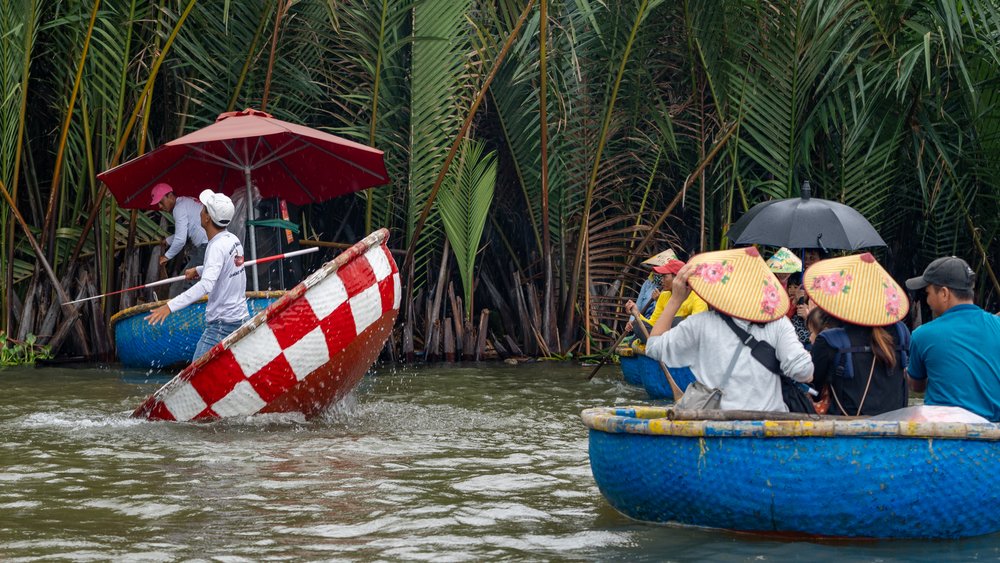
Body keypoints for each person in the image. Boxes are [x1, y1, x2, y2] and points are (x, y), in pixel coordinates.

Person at [644, 247, 813, 412]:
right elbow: (803, 371)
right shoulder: (779, 324)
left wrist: (675, 299)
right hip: (767, 426)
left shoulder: (701, 324)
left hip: (715, 425)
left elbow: (653, 348)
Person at [147, 189, 249, 361]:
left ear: (207, 218)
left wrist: (169, 306)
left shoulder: (215, 247)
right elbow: (225, 270)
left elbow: (205, 286)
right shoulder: (233, 240)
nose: (200, 210)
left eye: (203, 208)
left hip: (221, 325)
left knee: (194, 377)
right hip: (240, 318)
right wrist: (200, 270)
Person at [806, 253, 910, 416]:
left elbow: (814, 391)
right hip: (895, 428)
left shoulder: (829, 341)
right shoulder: (901, 331)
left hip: (847, 433)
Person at [904, 256, 1000, 421]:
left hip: (943, 435)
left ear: (944, 293)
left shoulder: (923, 334)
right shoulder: (997, 325)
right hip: (993, 435)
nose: (927, 301)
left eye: (928, 293)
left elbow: (916, 386)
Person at [624, 259, 708, 342]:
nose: (661, 280)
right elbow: (653, 323)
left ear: (677, 278)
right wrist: (636, 314)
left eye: (665, 276)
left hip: (685, 340)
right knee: (636, 324)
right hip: (663, 338)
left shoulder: (697, 297)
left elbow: (697, 329)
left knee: (676, 321)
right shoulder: (664, 295)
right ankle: (656, 345)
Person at [150, 182, 209, 298]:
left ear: (170, 196)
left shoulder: (178, 209)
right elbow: (184, 232)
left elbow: (181, 240)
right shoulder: (185, 202)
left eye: (161, 202)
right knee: (202, 280)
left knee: (190, 283)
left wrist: (166, 257)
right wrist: (168, 240)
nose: (160, 207)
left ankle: (191, 313)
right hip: (209, 243)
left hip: (206, 245)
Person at [767, 247, 811, 347]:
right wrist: (794, 301)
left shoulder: (808, 293)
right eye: (779, 269)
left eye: (786, 270)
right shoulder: (772, 284)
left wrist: (807, 315)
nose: (782, 273)